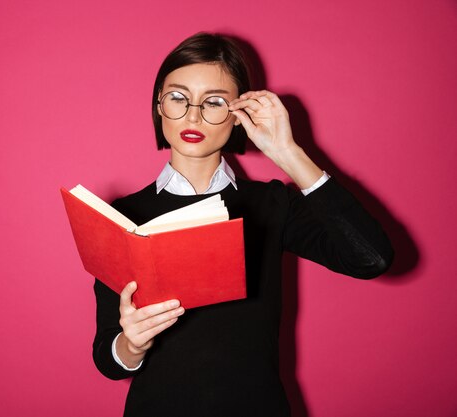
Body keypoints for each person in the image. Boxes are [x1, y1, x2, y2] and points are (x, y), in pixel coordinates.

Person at [92, 32, 393, 417]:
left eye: (214, 102)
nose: (194, 116)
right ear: (159, 107)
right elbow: (106, 358)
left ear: (238, 115)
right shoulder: (122, 215)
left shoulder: (273, 203)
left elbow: (372, 258)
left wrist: (288, 153)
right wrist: (131, 345)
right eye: (178, 98)